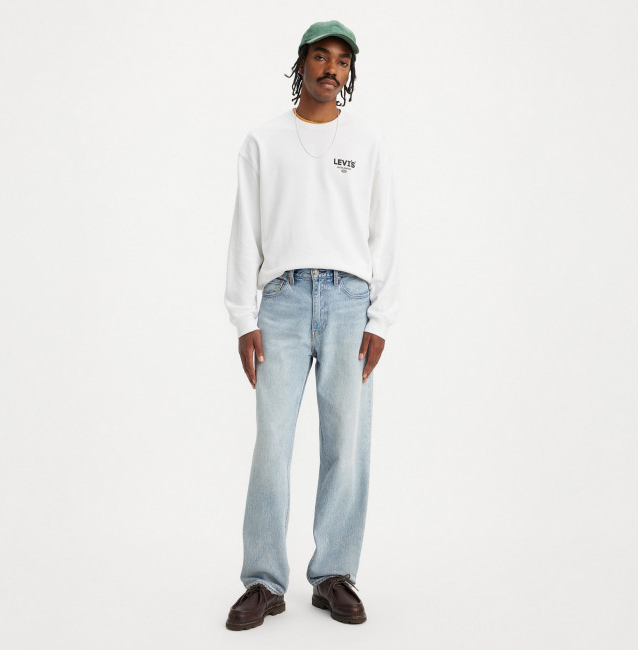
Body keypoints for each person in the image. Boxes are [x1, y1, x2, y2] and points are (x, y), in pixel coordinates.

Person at [223, 20, 400, 630]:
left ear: (350, 73)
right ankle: (263, 581)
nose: (332, 69)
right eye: (322, 57)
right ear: (300, 64)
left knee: (346, 443)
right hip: (283, 301)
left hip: (351, 302)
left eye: (343, 61)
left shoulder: (368, 141)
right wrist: (242, 316)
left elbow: (385, 232)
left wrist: (382, 317)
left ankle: (333, 574)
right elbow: (244, 229)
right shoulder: (263, 140)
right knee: (272, 443)